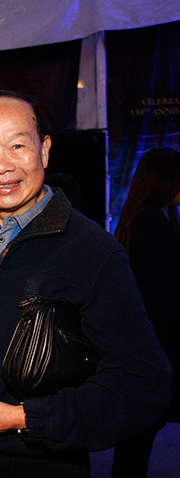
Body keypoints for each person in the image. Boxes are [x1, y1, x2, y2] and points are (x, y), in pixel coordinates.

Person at [0, 90, 172, 478]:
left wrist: (24, 417)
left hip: (41, 462)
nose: (1, 166)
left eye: (17, 145)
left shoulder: (91, 251)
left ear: (45, 150)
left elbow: (143, 386)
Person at [112, 147, 180, 478]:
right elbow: (163, 285)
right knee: (142, 429)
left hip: (152, 339)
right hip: (157, 340)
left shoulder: (147, 218)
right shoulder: (151, 222)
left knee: (141, 429)